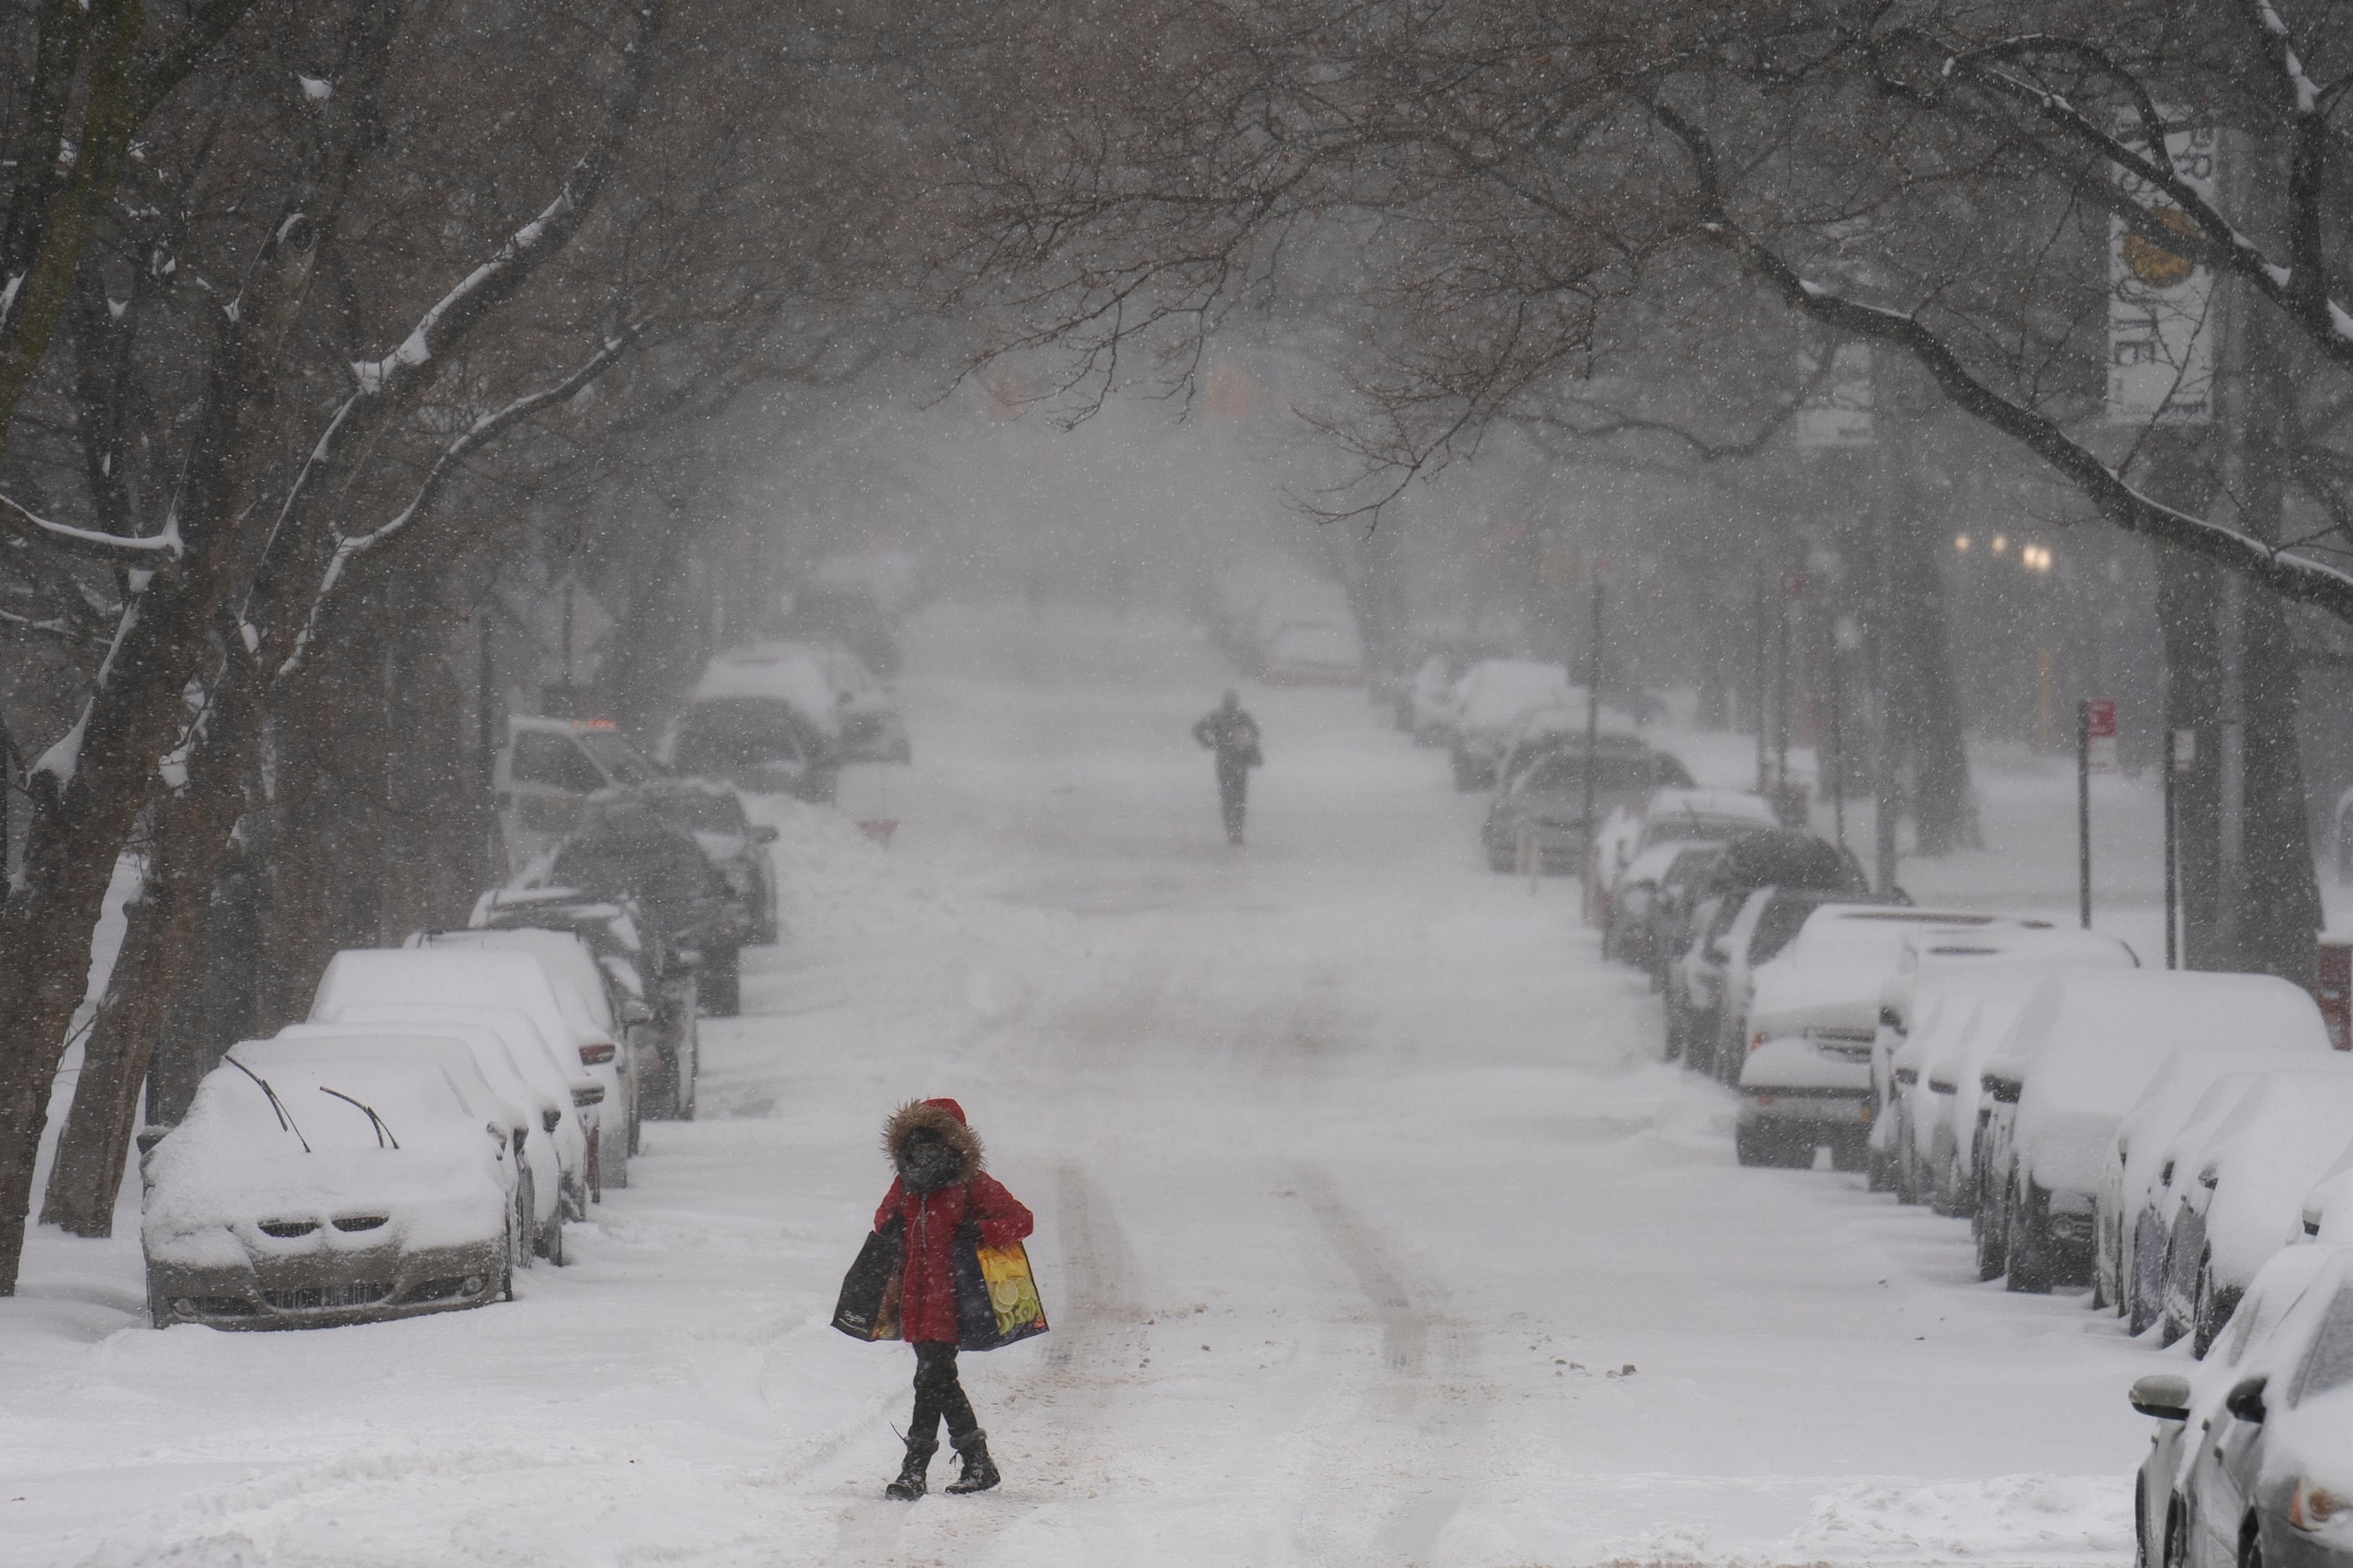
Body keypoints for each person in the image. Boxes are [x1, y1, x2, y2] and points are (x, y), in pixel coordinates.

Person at [873, 1098, 1035, 1500]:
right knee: (938, 1380)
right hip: (915, 1297)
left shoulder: (971, 1184)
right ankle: (978, 1462)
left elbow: (1021, 1220)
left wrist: (979, 1231)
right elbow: (882, 1220)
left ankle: (914, 1471)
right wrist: (892, 1225)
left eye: (934, 1142)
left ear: (953, 1143)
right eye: (919, 1142)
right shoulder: (907, 1182)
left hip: (954, 1298)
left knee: (930, 1377)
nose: (925, 1150)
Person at [1191, 689, 1263, 845]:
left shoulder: (1217, 717)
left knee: (1227, 797)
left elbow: (1197, 730)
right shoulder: (1243, 717)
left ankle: (1231, 831)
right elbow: (1256, 733)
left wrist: (1210, 743)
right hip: (1240, 762)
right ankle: (1237, 831)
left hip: (1224, 762)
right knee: (1240, 797)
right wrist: (1244, 739)